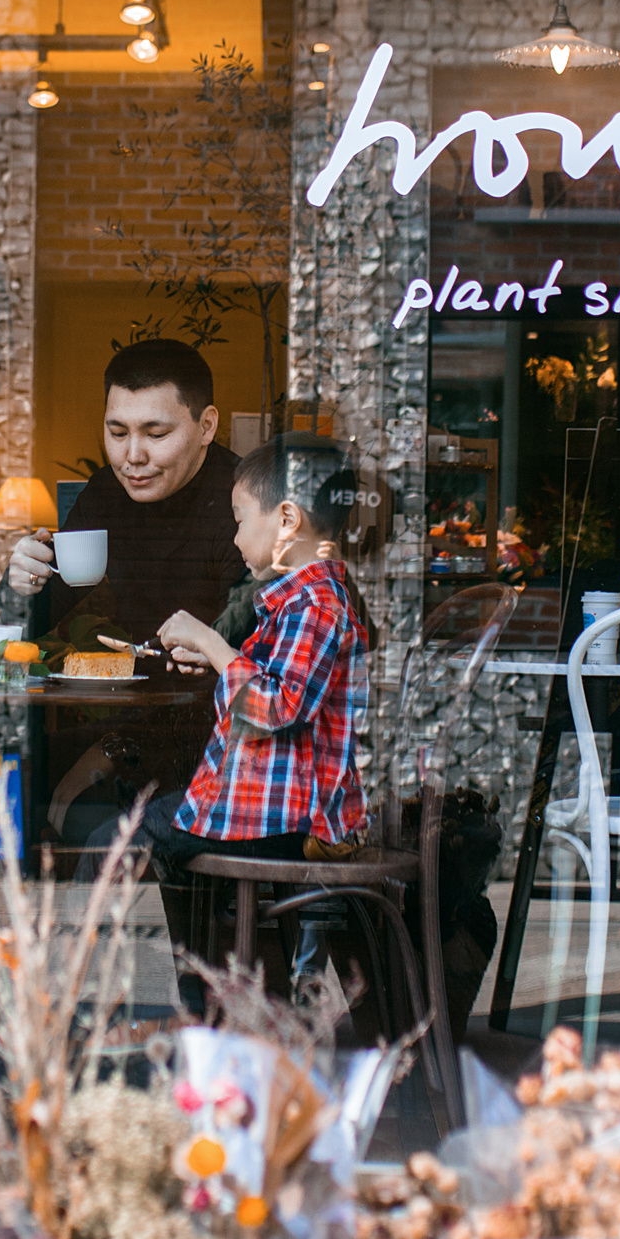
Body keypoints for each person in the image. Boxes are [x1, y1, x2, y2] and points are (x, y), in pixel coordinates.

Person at [141, 434, 373, 1016]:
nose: (236, 537)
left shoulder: (315, 605)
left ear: (287, 521)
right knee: (160, 826)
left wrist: (215, 645)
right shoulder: (302, 602)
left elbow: (275, 707)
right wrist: (225, 661)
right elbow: (264, 692)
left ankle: (191, 1007)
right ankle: (200, 1001)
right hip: (280, 807)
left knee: (137, 834)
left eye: (241, 519)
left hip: (291, 817)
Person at [4, 338, 250, 648]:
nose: (133, 456)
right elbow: (32, 624)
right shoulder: (105, 495)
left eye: (156, 434)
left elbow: (251, 644)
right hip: (136, 688)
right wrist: (24, 583)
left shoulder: (247, 501)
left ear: (207, 426)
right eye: (118, 433)